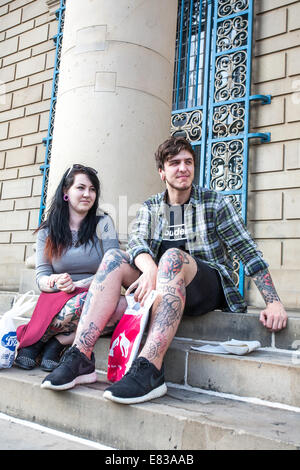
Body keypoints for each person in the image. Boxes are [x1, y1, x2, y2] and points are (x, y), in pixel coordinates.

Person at [41, 137, 288, 403]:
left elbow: (247, 251)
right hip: (163, 287)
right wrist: (148, 269)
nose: (183, 168)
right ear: (162, 172)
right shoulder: (151, 207)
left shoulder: (215, 203)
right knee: (114, 257)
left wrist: (273, 302)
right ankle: (80, 356)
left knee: (172, 257)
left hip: (207, 286)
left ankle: (150, 369)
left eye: (188, 162)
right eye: (174, 163)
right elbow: (137, 241)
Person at [15, 164, 125, 372]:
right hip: (59, 296)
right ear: (66, 192)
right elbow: (42, 277)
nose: (87, 194)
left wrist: (88, 283)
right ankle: (39, 341)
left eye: (92, 189)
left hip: (97, 290)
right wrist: (55, 281)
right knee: (86, 302)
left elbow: (115, 264)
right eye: (81, 188)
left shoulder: (104, 223)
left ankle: (57, 342)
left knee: (122, 306)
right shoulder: (47, 231)